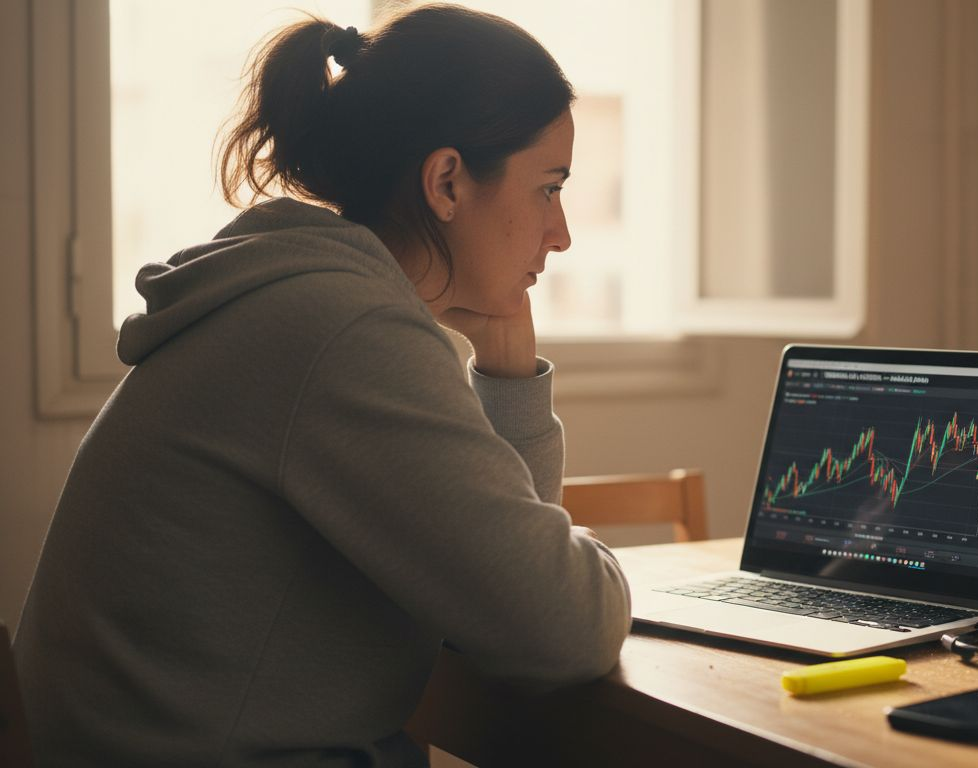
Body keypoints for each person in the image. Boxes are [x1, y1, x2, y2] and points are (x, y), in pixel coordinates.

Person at [14, 5, 631, 766]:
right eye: (548, 187)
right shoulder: (344, 331)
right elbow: (559, 627)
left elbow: (491, 602)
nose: (561, 233)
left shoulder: (306, 296)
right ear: (446, 181)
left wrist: (506, 369)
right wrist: (589, 562)